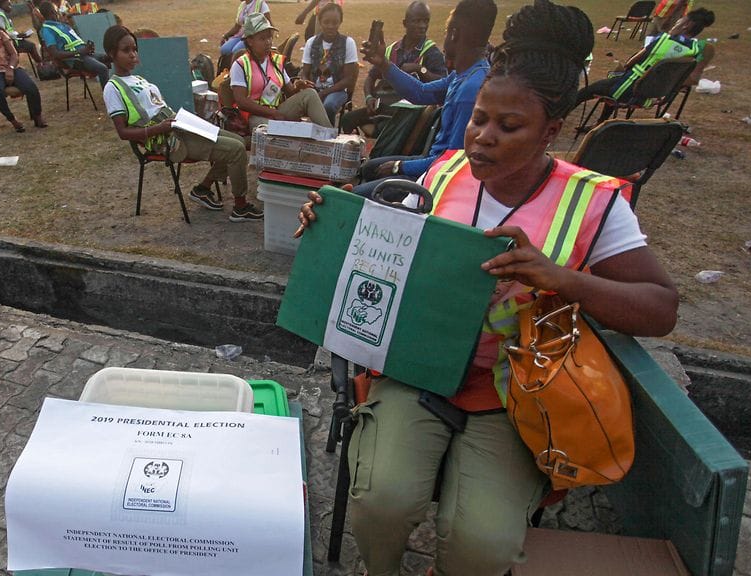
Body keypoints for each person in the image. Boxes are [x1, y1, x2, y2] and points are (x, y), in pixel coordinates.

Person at [295, 1, 679, 574]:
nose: (483, 138)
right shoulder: (443, 173)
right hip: (418, 372)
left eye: (509, 126)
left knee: (482, 545)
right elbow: (382, 257)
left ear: (550, 131)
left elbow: (661, 308)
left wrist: (559, 278)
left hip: (514, 393)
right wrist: (326, 226)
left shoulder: (592, 202)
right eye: (478, 119)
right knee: (380, 503)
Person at [103, 25, 264, 222]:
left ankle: (203, 189)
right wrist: (159, 128)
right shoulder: (113, 88)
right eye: (126, 50)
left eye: (134, 49)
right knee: (236, 150)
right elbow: (123, 132)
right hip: (166, 139)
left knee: (238, 140)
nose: (133, 54)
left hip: (177, 125)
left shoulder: (138, 79)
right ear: (112, 53)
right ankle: (240, 207)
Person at [351, 0, 496, 198]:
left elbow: (453, 163)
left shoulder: (470, 92)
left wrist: (399, 166)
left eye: (446, 31)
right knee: (369, 168)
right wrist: (384, 64)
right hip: (431, 161)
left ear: (454, 34)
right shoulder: (464, 75)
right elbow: (420, 92)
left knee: (355, 196)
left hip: (435, 178)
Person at [576, 7, 715, 123]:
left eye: (680, 20)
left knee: (586, 92)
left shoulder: (663, 40)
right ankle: (601, 123)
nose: (676, 22)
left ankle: (558, 117)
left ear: (686, 25)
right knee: (611, 83)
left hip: (630, 91)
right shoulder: (696, 50)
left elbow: (632, 62)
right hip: (654, 95)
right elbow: (690, 77)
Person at [339, 1, 447, 135]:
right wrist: (368, 98)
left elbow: (443, 83)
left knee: (386, 128)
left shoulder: (431, 52)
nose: (422, 26)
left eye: (426, 21)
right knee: (347, 119)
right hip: (384, 106)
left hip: (411, 112)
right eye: (417, 21)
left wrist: (420, 69)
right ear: (405, 23)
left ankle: (380, 143)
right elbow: (371, 77)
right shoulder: (391, 50)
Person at [231, 13, 332, 132]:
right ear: (250, 41)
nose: (268, 42)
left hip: (277, 113)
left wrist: (297, 87)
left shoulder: (276, 61)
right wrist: (273, 113)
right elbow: (241, 102)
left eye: (269, 37)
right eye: (262, 38)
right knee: (283, 130)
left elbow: (290, 92)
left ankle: (331, 138)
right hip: (253, 116)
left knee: (310, 94)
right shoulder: (240, 65)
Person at [298, 2, 359, 125]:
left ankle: (328, 137)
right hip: (314, 90)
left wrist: (323, 93)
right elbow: (305, 73)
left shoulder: (347, 43)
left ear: (340, 22)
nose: (330, 26)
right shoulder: (311, 43)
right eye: (326, 22)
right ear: (320, 22)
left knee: (329, 106)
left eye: (335, 22)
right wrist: (305, 82)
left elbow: (348, 79)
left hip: (338, 90)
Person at [38, 0, 110, 87]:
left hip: (83, 54)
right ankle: (109, 98)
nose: (58, 12)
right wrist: (80, 52)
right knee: (103, 69)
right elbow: (55, 54)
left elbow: (75, 42)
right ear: (52, 12)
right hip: (75, 60)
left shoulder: (61, 25)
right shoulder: (47, 30)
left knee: (112, 57)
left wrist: (87, 48)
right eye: (56, 10)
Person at [0, 0, 43, 64]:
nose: (11, 6)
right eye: (9, 5)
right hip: (9, 43)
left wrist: (18, 34)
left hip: (11, 39)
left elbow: (7, 30)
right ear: (2, 4)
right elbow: (2, 32)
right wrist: (18, 35)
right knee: (31, 46)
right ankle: (41, 64)